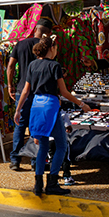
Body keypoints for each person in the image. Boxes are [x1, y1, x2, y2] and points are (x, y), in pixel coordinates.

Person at [13, 33, 92, 197]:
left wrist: (18, 110)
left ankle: (38, 183)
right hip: (50, 106)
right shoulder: (55, 66)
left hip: (36, 105)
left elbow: (26, 91)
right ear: (52, 48)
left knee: (42, 146)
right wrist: (82, 104)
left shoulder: (32, 65)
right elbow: (63, 91)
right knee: (62, 145)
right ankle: (53, 182)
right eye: (55, 47)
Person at [7, 19, 48, 171]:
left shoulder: (21, 44)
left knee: (19, 124)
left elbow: (10, 66)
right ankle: (34, 160)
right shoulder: (46, 48)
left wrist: (10, 85)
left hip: (21, 89)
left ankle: (15, 159)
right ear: (45, 33)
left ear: (35, 29)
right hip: (39, 91)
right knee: (35, 126)